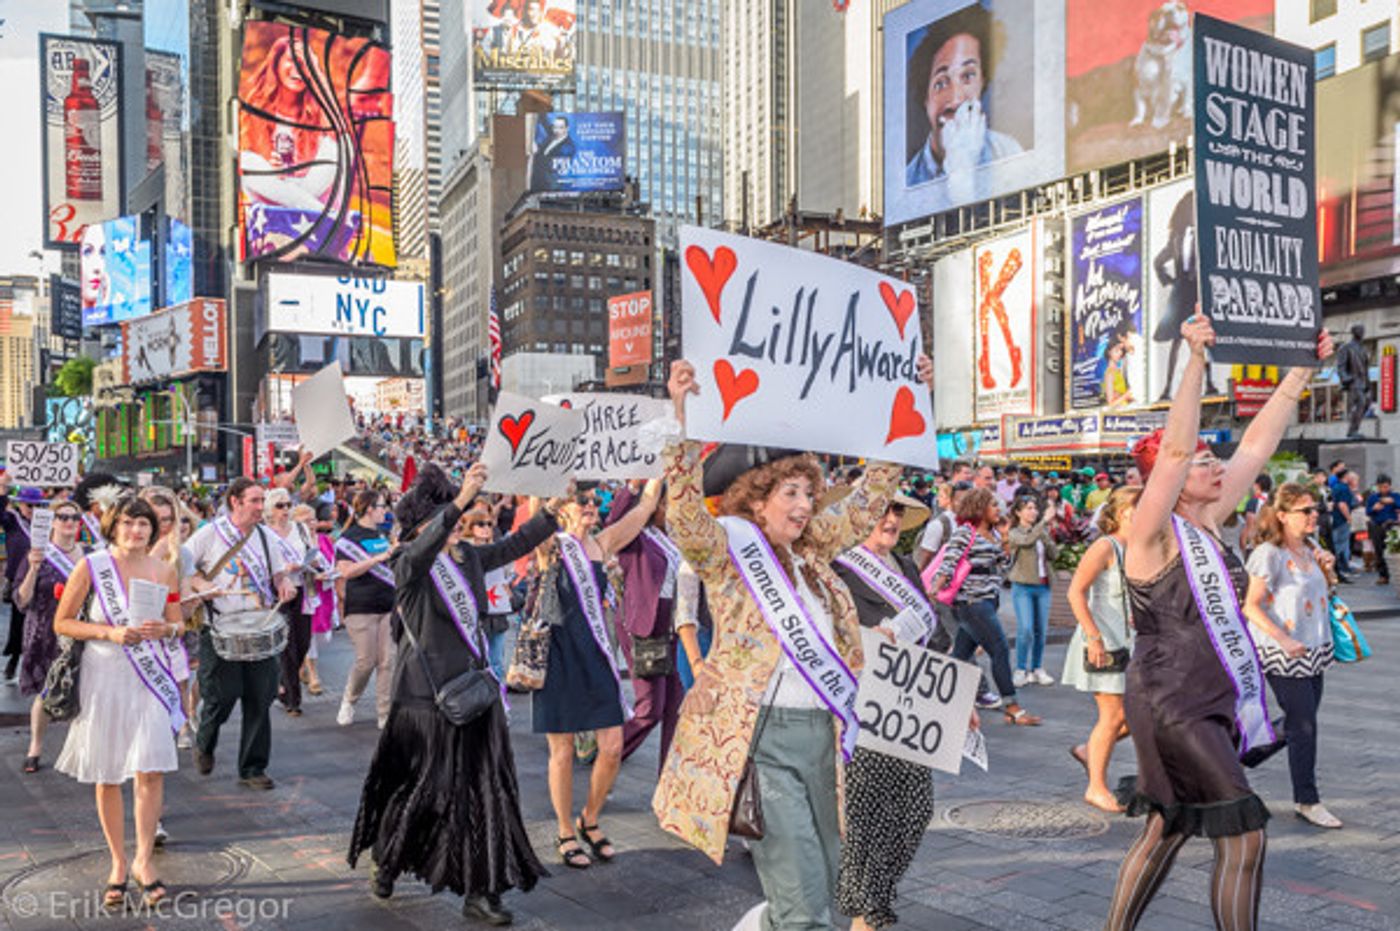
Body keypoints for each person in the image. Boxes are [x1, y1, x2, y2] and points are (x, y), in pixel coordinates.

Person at [654, 356, 926, 930]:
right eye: (791, 493)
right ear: (756, 500)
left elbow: (868, 502)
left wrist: (913, 399)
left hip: (826, 739)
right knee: (804, 907)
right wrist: (680, 419)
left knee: (824, 882)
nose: (805, 504)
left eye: (809, 492)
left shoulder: (814, 556)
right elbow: (682, 516)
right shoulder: (727, 557)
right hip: (764, 737)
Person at [1104, 313, 1332, 931]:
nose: (1213, 466)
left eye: (1212, 461)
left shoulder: (1209, 522)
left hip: (1209, 695)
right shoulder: (1154, 532)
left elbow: (1256, 446)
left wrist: (1298, 375)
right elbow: (1176, 449)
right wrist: (1196, 359)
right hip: (1172, 699)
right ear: (1173, 482)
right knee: (1246, 832)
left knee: (1167, 827)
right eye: (1203, 462)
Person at [348, 463, 560, 926]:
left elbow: (515, 545)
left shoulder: (467, 558)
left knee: (486, 792)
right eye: (447, 516)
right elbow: (422, 550)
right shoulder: (407, 562)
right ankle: (388, 857)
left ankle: (481, 891)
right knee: (421, 790)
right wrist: (461, 499)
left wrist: (550, 506)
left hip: (474, 693)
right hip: (424, 701)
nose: (459, 525)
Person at [832, 493, 963, 931]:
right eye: (881, 511)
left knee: (915, 809)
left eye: (896, 512)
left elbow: (933, 630)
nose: (890, 519)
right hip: (865, 706)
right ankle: (867, 916)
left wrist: (957, 700)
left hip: (912, 705)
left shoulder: (905, 566)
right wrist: (867, 636)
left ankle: (873, 902)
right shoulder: (839, 569)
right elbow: (831, 632)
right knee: (869, 813)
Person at [53, 496, 184, 909]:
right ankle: (117, 861)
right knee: (107, 773)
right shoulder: (91, 566)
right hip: (104, 676)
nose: (136, 531)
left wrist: (166, 628)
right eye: (128, 523)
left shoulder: (164, 569)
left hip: (148, 679)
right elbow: (63, 621)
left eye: (143, 524)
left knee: (149, 769)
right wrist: (109, 633)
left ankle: (144, 860)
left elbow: (179, 622)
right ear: (113, 527)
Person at [533, 481, 661, 869]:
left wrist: (656, 465)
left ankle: (589, 817)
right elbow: (535, 501)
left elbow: (643, 510)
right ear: (564, 508)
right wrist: (551, 482)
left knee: (611, 747)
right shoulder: (550, 546)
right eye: (583, 501)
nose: (591, 505)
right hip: (558, 657)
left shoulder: (602, 543)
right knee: (564, 751)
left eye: (594, 501)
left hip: (596, 658)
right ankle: (563, 830)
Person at [184, 478, 297, 790]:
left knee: (260, 698)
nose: (261, 508)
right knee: (221, 696)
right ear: (235, 501)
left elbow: (277, 572)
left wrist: (283, 584)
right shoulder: (210, 534)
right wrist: (201, 585)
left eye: (263, 501)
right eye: (255, 501)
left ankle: (253, 768)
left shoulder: (264, 536)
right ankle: (205, 742)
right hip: (219, 627)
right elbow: (182, 567)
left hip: (258, 624)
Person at [1242, 483, 1340, 829]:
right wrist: (1283, 638)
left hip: (1314, 645)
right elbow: (1250, 607)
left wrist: (1327, 569)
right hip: (1282, 650)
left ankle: (1244, 754)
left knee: (1302, 720)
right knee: (1304, 725)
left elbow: (1326, 591)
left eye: (1315, 510)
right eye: (1305, 511)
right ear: (1282, 515)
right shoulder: (1268, 554)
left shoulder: (1312, 546)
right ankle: (1307, 800)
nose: (1314, 516)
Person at [933, 487, 1042, 725]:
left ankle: (934, 698)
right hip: (973, 602)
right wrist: (933, 589)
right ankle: (1012, 706)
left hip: (988, 601)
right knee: (1000, 649)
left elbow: (1004, 567)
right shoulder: (965, 532)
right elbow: (948, 563)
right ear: (980, 508)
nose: (999, 510)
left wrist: (1004, 541)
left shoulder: (993, 533)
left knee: (960, 655)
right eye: (994, 505)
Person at [1062, 486, 1141, 813]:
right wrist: (1094, 637)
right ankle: (1096, 787)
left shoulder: (1134, 547)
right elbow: (1075, 592)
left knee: (1138, 715)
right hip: (1103, 642)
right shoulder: (1105, 546)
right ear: (1124, 512)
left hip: (1126, 641)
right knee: (1115, 715)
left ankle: (1088, 750)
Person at [904, 3, 1023, 205]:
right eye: (941, 83)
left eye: (967, 76)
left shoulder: (1009, 152)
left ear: (982, 82)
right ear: (925, 98)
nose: (956, 99)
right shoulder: (907, 182)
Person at [606, 480, 688, 771]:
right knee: (649, 709)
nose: (671, 511)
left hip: (675, 626)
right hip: (644, 625)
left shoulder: (674, 537)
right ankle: (610, 756)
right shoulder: (637, 538)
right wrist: (633, 487)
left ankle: (669, 781)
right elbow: (614, 521)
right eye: (666, 505)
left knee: (675, 709)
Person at [14, 498, 88, 773]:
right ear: (52, 522)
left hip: (82, 632)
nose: (69, 522)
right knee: (47, 692)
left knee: (84, 690)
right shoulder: (38, 554)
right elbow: (21, 600)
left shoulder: (91, 554)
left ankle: (80, 749)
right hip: (46, 633)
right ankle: (35, 746)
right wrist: (33, 568)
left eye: (74, 517)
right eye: (63, 517)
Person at [335, 490, 398, 729]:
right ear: (369, 508)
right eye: (382, 506)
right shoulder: (348, 538)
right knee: (365, 661)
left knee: (387, 661)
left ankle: (385, 712)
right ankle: (349, 700)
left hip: (387, 604)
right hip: (361, 606)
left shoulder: (384, 533)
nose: (386, 510)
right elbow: (346, 571)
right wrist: (378, 559)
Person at [264, 488, 314, 717]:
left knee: (303, 642)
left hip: (302, 588)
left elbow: (313, 552)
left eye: (287, 504)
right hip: (277, 592)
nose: (285, 509)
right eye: (280, 506)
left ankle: (282, 684)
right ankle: (293, 700)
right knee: (287, 646)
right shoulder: (264, 533)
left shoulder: (300, 528)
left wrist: (309, 564)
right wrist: (284, 570)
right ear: (270, 510)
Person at [1006, 495, 1058, 688]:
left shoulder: (1041, 531)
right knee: (1025, 628)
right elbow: (1026, 541)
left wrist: (1046, 536)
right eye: (1028, 508)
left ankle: (1037, 668)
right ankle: (1020, 669)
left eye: (1035, 508)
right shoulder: (1014, 532)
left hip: (1043, 586)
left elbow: (1054, 554)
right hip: (1023, 586)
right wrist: (1043, 523)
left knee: (1040, 630)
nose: (1033, 512)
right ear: (1018, 512)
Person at [0, 479, 43, 683]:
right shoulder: (12, 520)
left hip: (42, 577)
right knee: (18, 622)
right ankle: (14, 660)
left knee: (39, 623)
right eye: (29, 505)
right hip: (19, 577)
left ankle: (36, 663)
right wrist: (2, 490)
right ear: (19, 504)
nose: (33, 509)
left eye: (37, 505)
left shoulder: (46, 522)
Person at [1366, 475, 1397, 585]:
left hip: (1391, 525)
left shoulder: (1395, 496)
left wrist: (1392, 502)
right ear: (1378, 487)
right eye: (1382, 487)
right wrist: (1374, 508)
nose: (1384, 489)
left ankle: (1395, 573)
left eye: (1386, 486)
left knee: (1393, 550)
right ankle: (1383, 575)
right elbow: (1368, 512)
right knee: (1379, 551)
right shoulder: (1373, 497)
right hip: (1377, 526)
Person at [1330, 470, 1357, 577]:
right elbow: (1342, 504)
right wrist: (1349, 518)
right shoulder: (1344, 488)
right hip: (1341, 520)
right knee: (1341, 545)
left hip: (1336, 519)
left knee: (1338, 544)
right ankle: (1340, 569)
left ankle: (1340, 568)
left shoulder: (1336, 487)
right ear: (1346, 476)